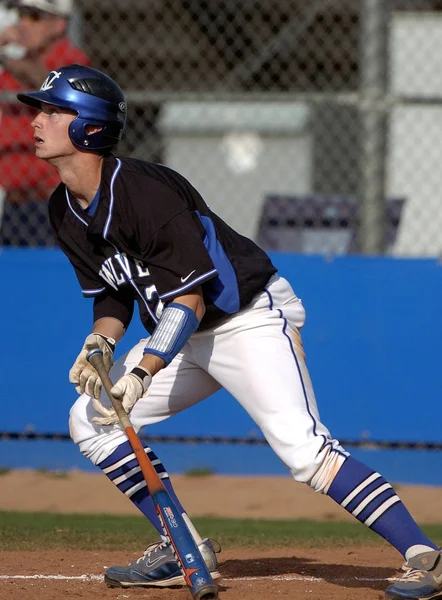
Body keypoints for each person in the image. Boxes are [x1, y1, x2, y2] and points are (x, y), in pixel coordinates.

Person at [17, 64, 442, 598]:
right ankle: (182, 547)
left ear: (90, 128)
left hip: (247, 319)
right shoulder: (63, 208)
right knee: (90, 419)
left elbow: (190, 298)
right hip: (184, 333)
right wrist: (100, 340)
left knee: (304, 451)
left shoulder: (143, 191)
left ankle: (423, 555)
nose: (38, 119)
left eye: (55, 111)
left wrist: (145, 370)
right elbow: (113, 292)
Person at [0, 0, 90, 243]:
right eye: (21, 14)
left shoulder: (70, 60)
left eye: (34, 17)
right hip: (15, 202)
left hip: (53, 200)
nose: (23, 23)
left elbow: (48, 83)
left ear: (58, 25)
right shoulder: (14, 67)